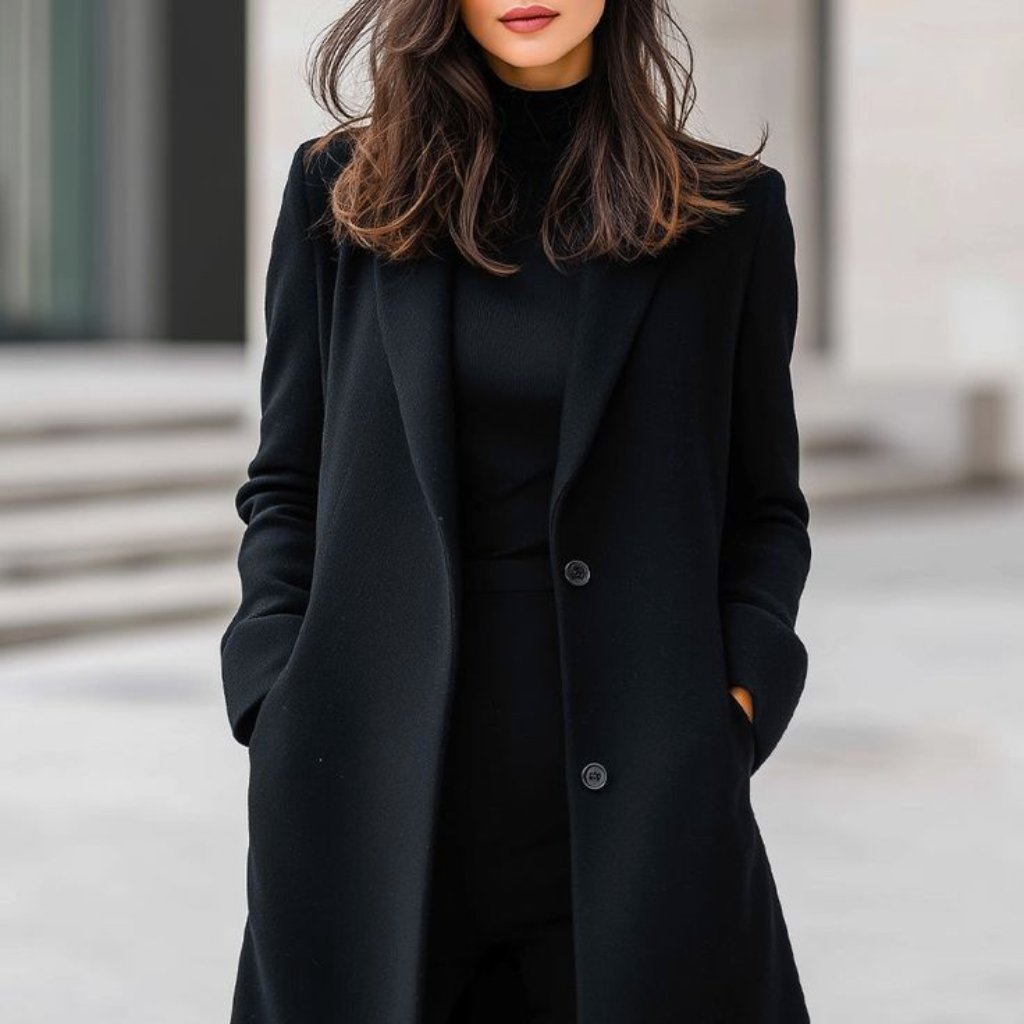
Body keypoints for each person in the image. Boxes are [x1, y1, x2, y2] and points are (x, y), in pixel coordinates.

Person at [221, 1, 813, 1022]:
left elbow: (764, 507)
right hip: (366, 784)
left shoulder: (727, 212)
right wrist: (272, 691)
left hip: (642, 796)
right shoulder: (341, 191)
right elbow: (287, 477)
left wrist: (733, 704)